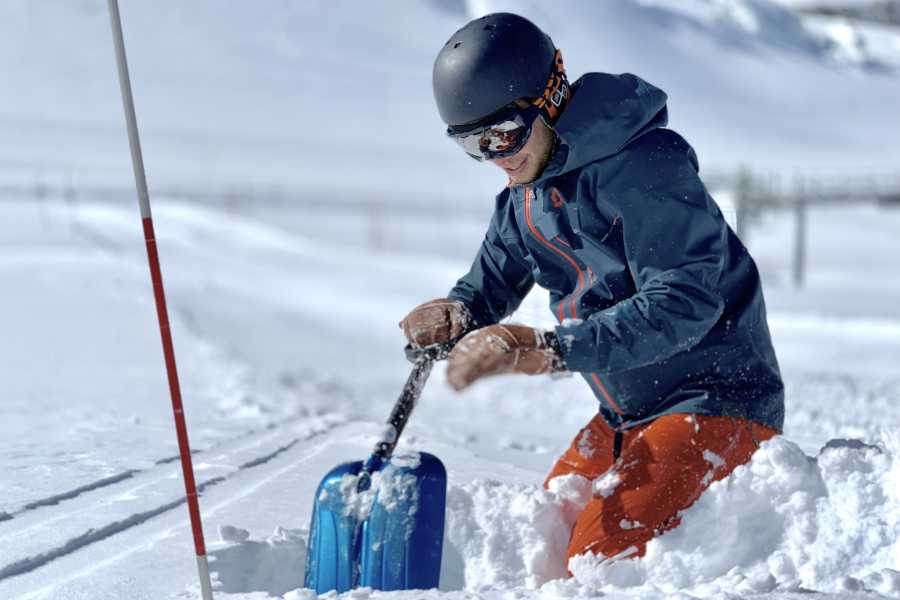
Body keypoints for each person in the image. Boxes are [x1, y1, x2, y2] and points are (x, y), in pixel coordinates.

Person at [399, 13, 785, 568]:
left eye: (503, 134)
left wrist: (552, 348)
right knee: (546, 535)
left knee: (597, 558)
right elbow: (490, 281)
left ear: (549, 97)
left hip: (719, 398)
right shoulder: (524, 196)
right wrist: (455, 312)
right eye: (472, 145)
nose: (496, 157)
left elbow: (684, 302)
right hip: (628, 410)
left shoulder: (644, 169)